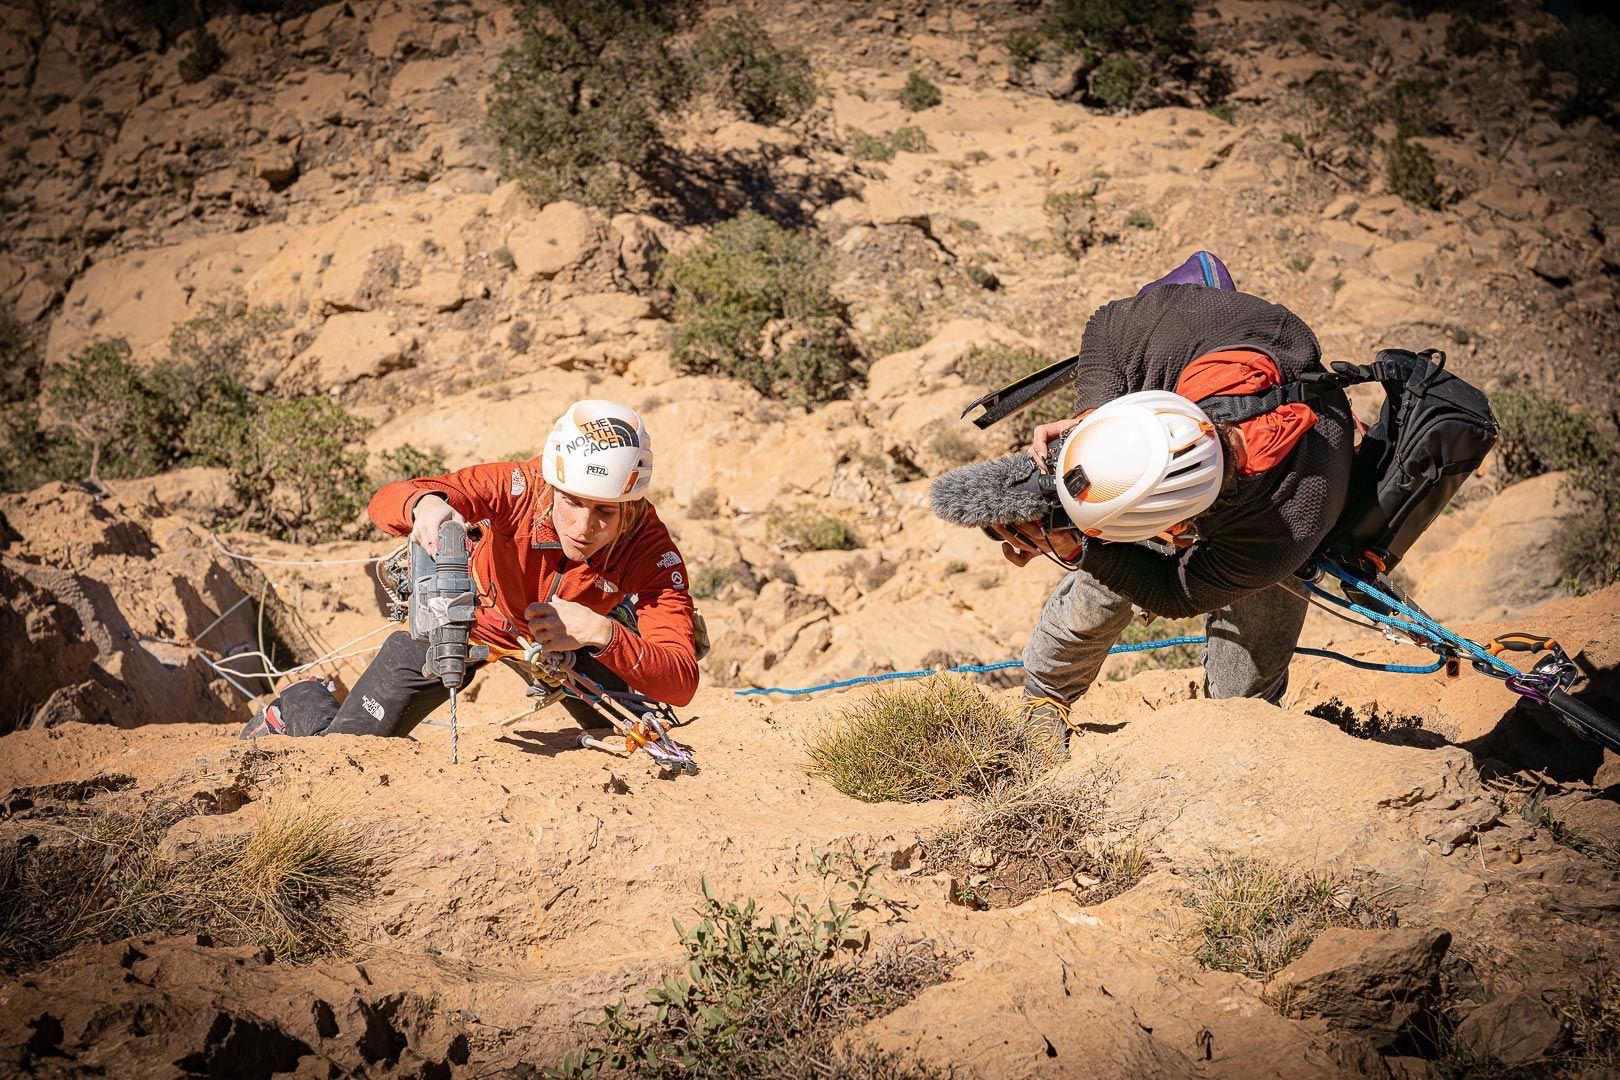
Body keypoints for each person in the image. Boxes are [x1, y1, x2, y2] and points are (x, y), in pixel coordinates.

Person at [999, 265, 1355, 758]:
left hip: (1275, 518)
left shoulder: (1283, 531)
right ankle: (1046, 697)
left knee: (1241, 696)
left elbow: (1173, 591)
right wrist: (1093, 419)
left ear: (1180, 525)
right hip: (1186, 455)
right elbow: (1105, 326)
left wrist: (1087, 553)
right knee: (1098, 597)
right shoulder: (1187, 330)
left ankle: (1246, 726)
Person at [241, 399, 699, 740]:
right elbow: (387, 499)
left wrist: (603, 632)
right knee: (345, 747)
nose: (582, 527)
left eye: (605, 513)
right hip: (469, 617)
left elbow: (681, 679)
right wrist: (424, 505)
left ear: (632, 506)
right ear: (553, 482)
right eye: (572, 503)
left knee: (646, 738)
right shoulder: (519, 486)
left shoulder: (650, 549)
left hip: (572, 641)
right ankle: (299, 702)